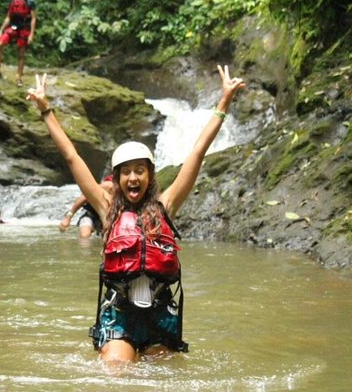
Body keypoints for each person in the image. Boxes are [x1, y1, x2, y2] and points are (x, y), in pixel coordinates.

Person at [26, 66, 245, 364]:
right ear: (116, 179)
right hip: (120, 314)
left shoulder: (166, 205)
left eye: (139, 170)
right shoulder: (106, 208)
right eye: (126, 172)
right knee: (118, 372)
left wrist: (224, 103)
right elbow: (71, 157)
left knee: (159, 385)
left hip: (159, 314)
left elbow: (196, 154)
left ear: (150, 175)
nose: (132, 177)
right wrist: (46, 110)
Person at [0, 0, 36, 88]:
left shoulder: (30, 1)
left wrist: (31, 34)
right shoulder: (13, 0)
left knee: (21, 54)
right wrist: (2, 30)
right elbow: (8, 17)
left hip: (24, 29)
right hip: (13, 27)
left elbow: (33, 19)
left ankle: (18, 77)